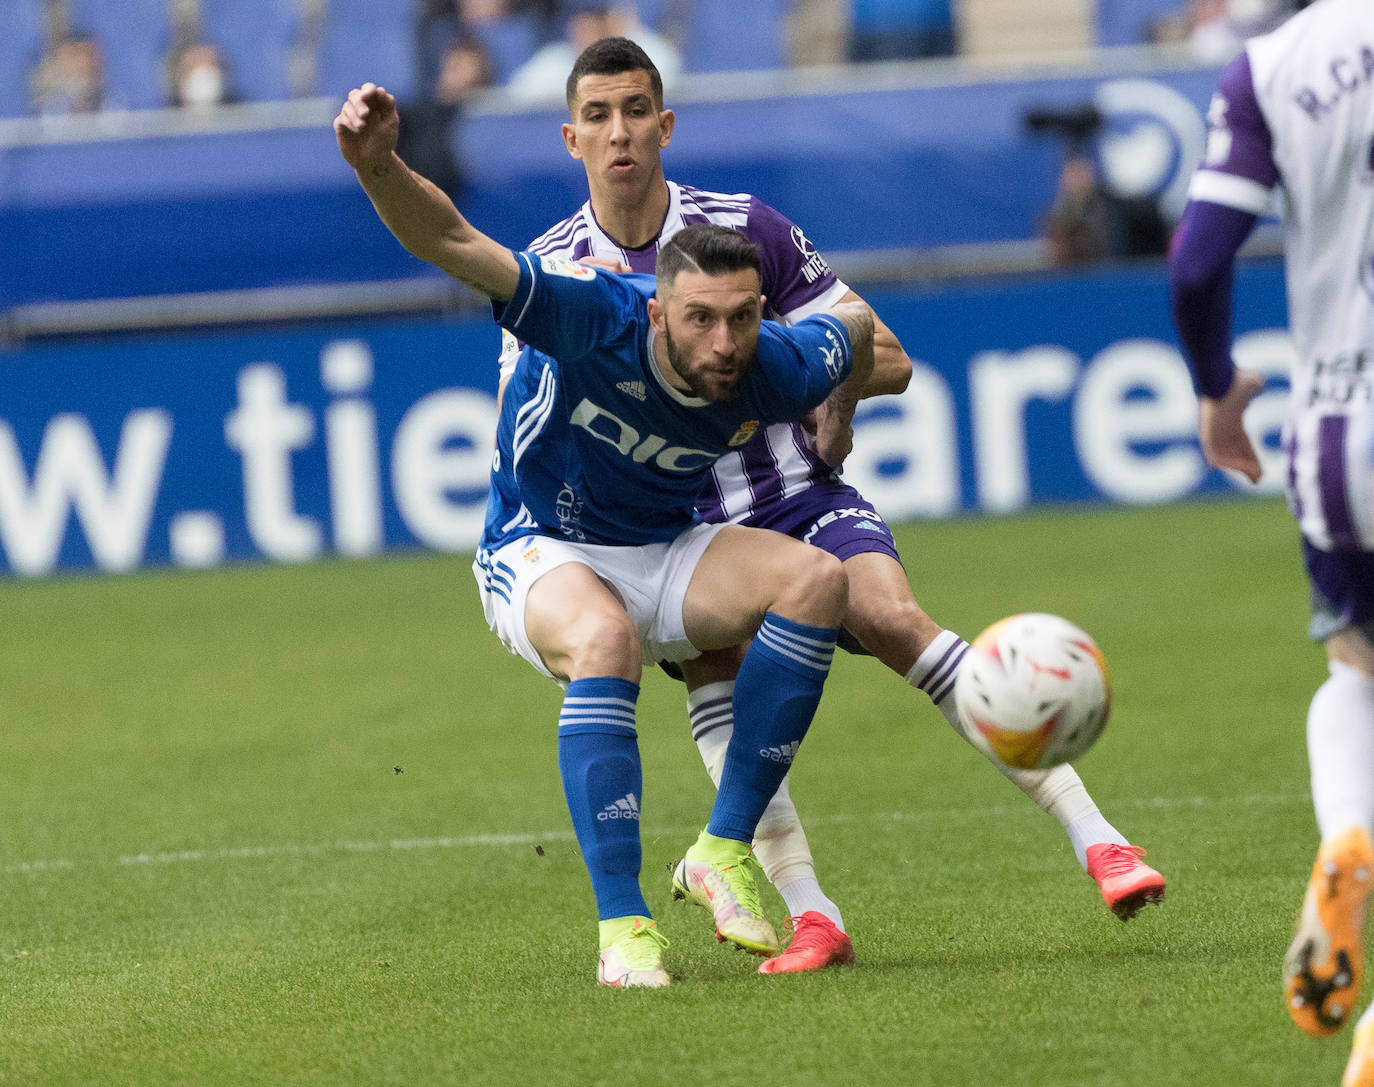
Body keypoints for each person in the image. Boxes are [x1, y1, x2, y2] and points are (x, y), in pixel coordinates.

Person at [500, 36, 1166, 975]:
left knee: (890, 614)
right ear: (573, 138)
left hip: (790, 491)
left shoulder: (743, 232)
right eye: (600, 117)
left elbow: (879, 350)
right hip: (673, 528)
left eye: (637, 111)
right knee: (721, 684)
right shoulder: (554, 272)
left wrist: (821, 401)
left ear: (665, 123)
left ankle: (1100, 837)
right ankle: (812, 912)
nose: (621, 134)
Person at [335, 82, 877, 988]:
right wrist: (378, 165)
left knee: (818, 582)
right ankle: (623, 930)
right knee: (606, 638)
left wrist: (841, 416)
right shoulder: (590, 311)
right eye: (701, 320)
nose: (725, 345)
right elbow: (453, 242)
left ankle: (722, 848)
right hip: (540, 545)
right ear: (657, 312)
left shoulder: (768, 360)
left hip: (664, 544)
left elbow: (853, 328)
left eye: (743, 320)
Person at [1167, 0, 1374, 1080]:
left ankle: (1348, 834)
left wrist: (1216, 392)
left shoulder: (1271, 66)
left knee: (1356, 664)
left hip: (1342, 438)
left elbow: (1198, 265)